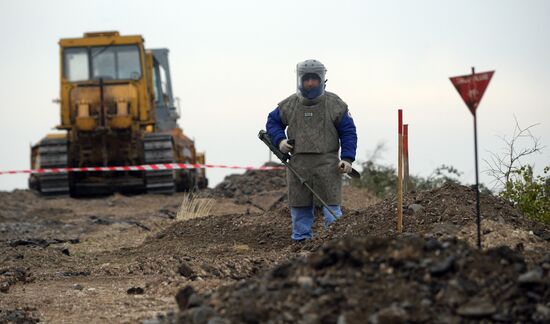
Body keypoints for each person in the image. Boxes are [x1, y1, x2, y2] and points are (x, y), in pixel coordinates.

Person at [265, 59, 357, 241]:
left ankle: (336, 242)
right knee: (299, 206)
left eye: (314, 79)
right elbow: (272, 122)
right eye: (306, 79)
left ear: (322, 79)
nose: (310, 83)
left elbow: (348, 132)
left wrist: (347, 158)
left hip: (329, 165)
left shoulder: (335, 104)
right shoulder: (289, 104)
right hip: (298, 164)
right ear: (300, 80)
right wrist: (280, 140)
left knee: (332, 207)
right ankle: (301, 241)